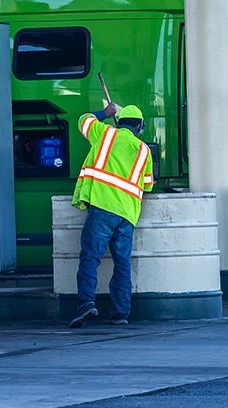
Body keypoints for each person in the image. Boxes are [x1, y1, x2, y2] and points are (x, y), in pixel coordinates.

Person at [67, 100, 155, 328]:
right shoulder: (144, 150)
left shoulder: (104, 133)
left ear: (119, 122)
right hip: (127, 215)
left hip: (102, 208)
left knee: (90, 258)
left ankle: (86, 304)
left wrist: (105, 113)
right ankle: (120, 313)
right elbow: (148, 184)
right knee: (122, 264)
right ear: (139, 126)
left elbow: (83, 120)